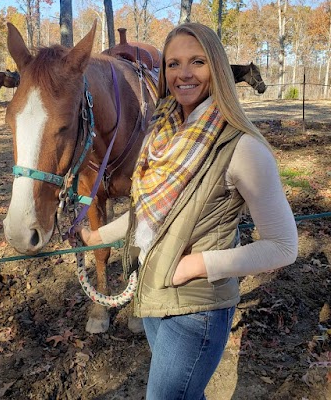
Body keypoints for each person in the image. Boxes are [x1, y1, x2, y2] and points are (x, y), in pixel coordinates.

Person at [71, 22, 298, 400]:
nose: (184, 74)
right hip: (154, 292)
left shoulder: (242, 147)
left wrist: (195, 266)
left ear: (218, 69)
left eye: (198, 61)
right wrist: (97, 236)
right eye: (173, 63)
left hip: (196, 308)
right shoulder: (162, 132)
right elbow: (150, 213)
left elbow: (283, 246)